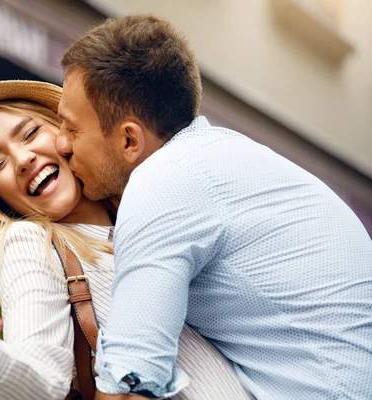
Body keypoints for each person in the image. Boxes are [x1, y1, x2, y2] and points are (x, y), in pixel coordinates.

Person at [0, 80, 251, 400]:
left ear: (67, 133)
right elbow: (37, 387)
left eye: (29, 133)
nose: (23, 159)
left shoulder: (147, 218)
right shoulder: (28, 242)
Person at [55, 14, 372, 400]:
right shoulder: (222, 158)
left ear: (129, 141)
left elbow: (129, 385)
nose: (60, 145)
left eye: (72, 129)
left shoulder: (163, 181)